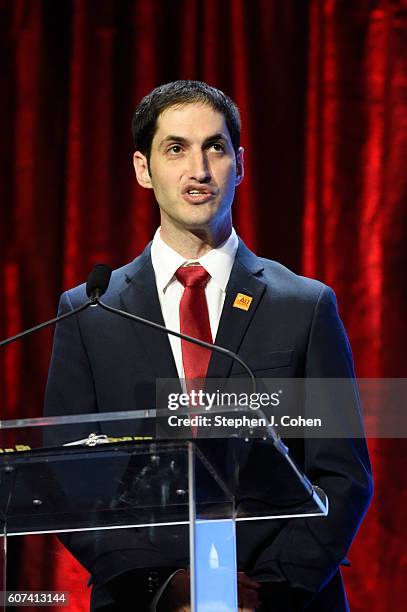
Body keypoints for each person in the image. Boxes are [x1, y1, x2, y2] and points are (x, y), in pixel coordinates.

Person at [45, 80, 372, 611]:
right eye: (176, 148)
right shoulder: (91, 312)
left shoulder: (305, 306)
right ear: (142, 169)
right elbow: (69, 480)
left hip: (281, 598)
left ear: (239, 164)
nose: (198, 169)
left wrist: (266, 589)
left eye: (214, 147)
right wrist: (161, 584)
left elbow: (343, 476)